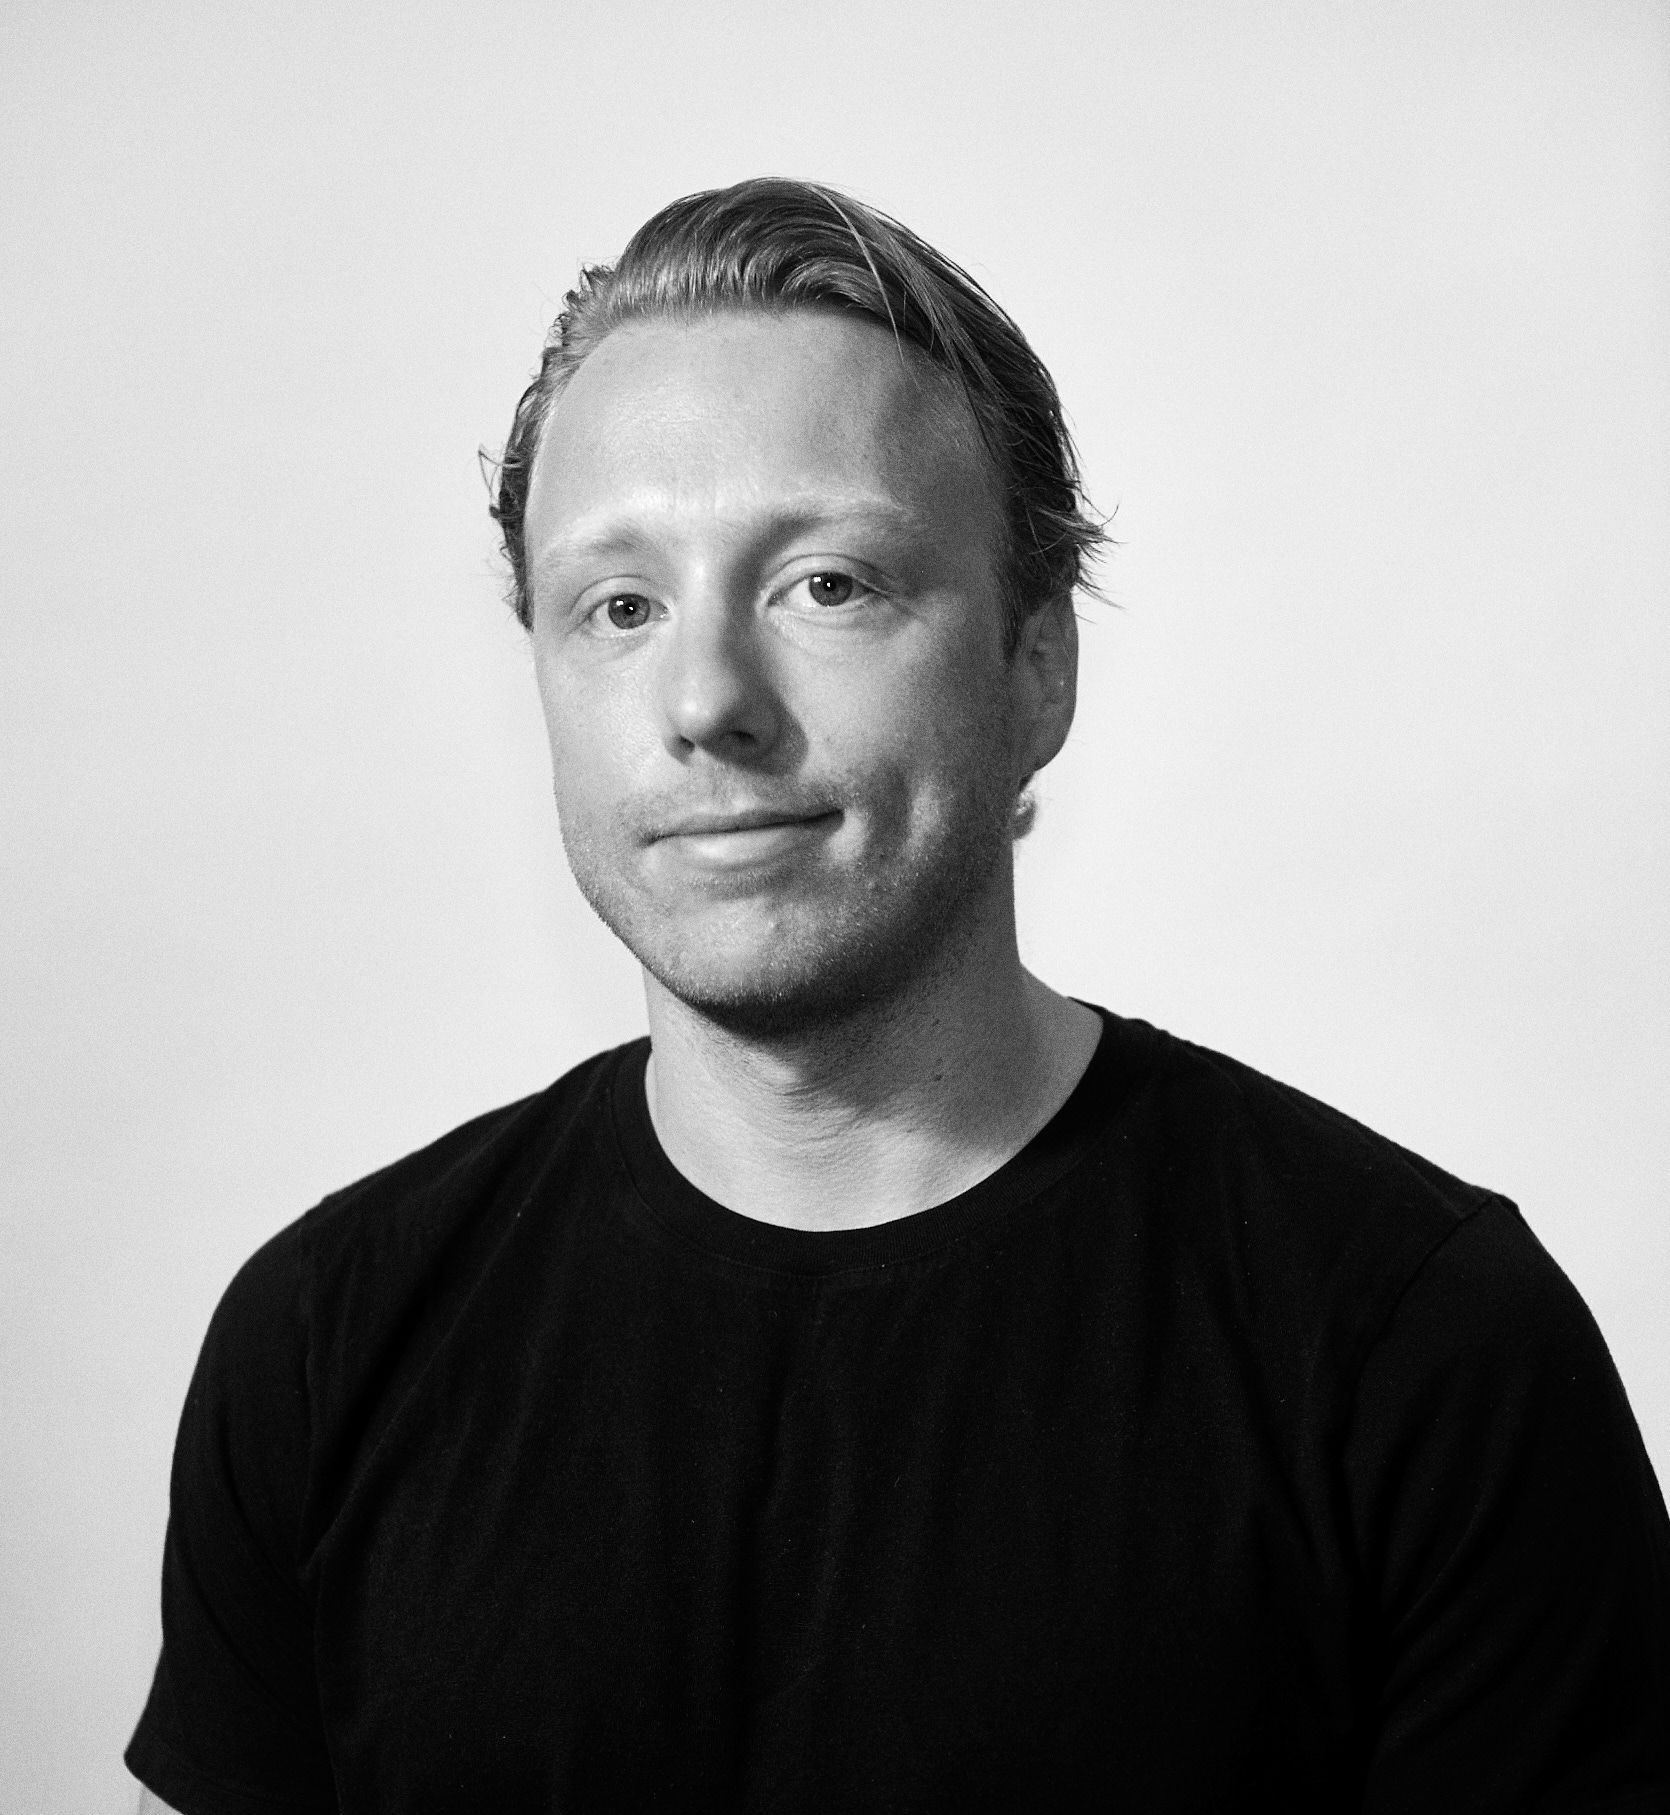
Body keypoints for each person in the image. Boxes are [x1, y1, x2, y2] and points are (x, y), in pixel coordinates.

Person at [127, 178, 1670, 1814]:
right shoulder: (324, 1341)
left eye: (830, 584)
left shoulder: (1415, 1354)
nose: (706, 701)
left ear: (1035, 668)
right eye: (620, 606)